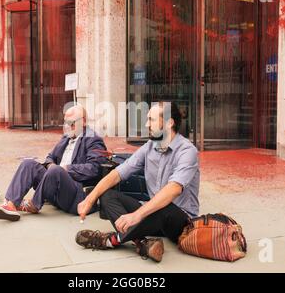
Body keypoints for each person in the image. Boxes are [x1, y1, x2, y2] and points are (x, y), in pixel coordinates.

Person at [75, 102, 200, 262]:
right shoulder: (150, 146)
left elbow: (173, 189)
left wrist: (136, 215)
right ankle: (141, 243)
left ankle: (110, 240)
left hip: (178, 221)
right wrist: (89, 199)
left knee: (164, 205)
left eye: (152, 120)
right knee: (107, 196)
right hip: (152, 212)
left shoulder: (187, 151)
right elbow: (117, 174)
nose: (147, 124)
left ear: (169, 123)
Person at [0, 105, 107, 222]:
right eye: (65, 122)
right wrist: (51, 166)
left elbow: (95, 168)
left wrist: (65, 168)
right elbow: (50, 157)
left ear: (83, 122)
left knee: (56, 170)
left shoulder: (93, 139)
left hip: (74, 194)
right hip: (55, 186)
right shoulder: (66, 137)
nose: (67, 126)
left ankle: (34, 204)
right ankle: (10, 205)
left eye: (71, 123)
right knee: (28, 164)